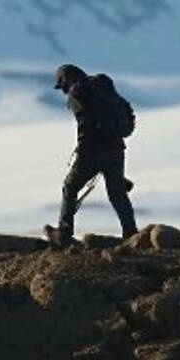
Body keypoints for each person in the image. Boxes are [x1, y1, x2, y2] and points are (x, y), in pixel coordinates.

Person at [47, 63, 137, 244]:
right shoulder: (102, 86)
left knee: (70, 187)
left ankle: (64, 233)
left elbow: (85, 122)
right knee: (117, 193)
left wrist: (82, 151)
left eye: (63, 86)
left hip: (92, 150)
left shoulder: (77, 92)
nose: (64, 91)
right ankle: (132, 234)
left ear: (67, 80)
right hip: (116, 148)